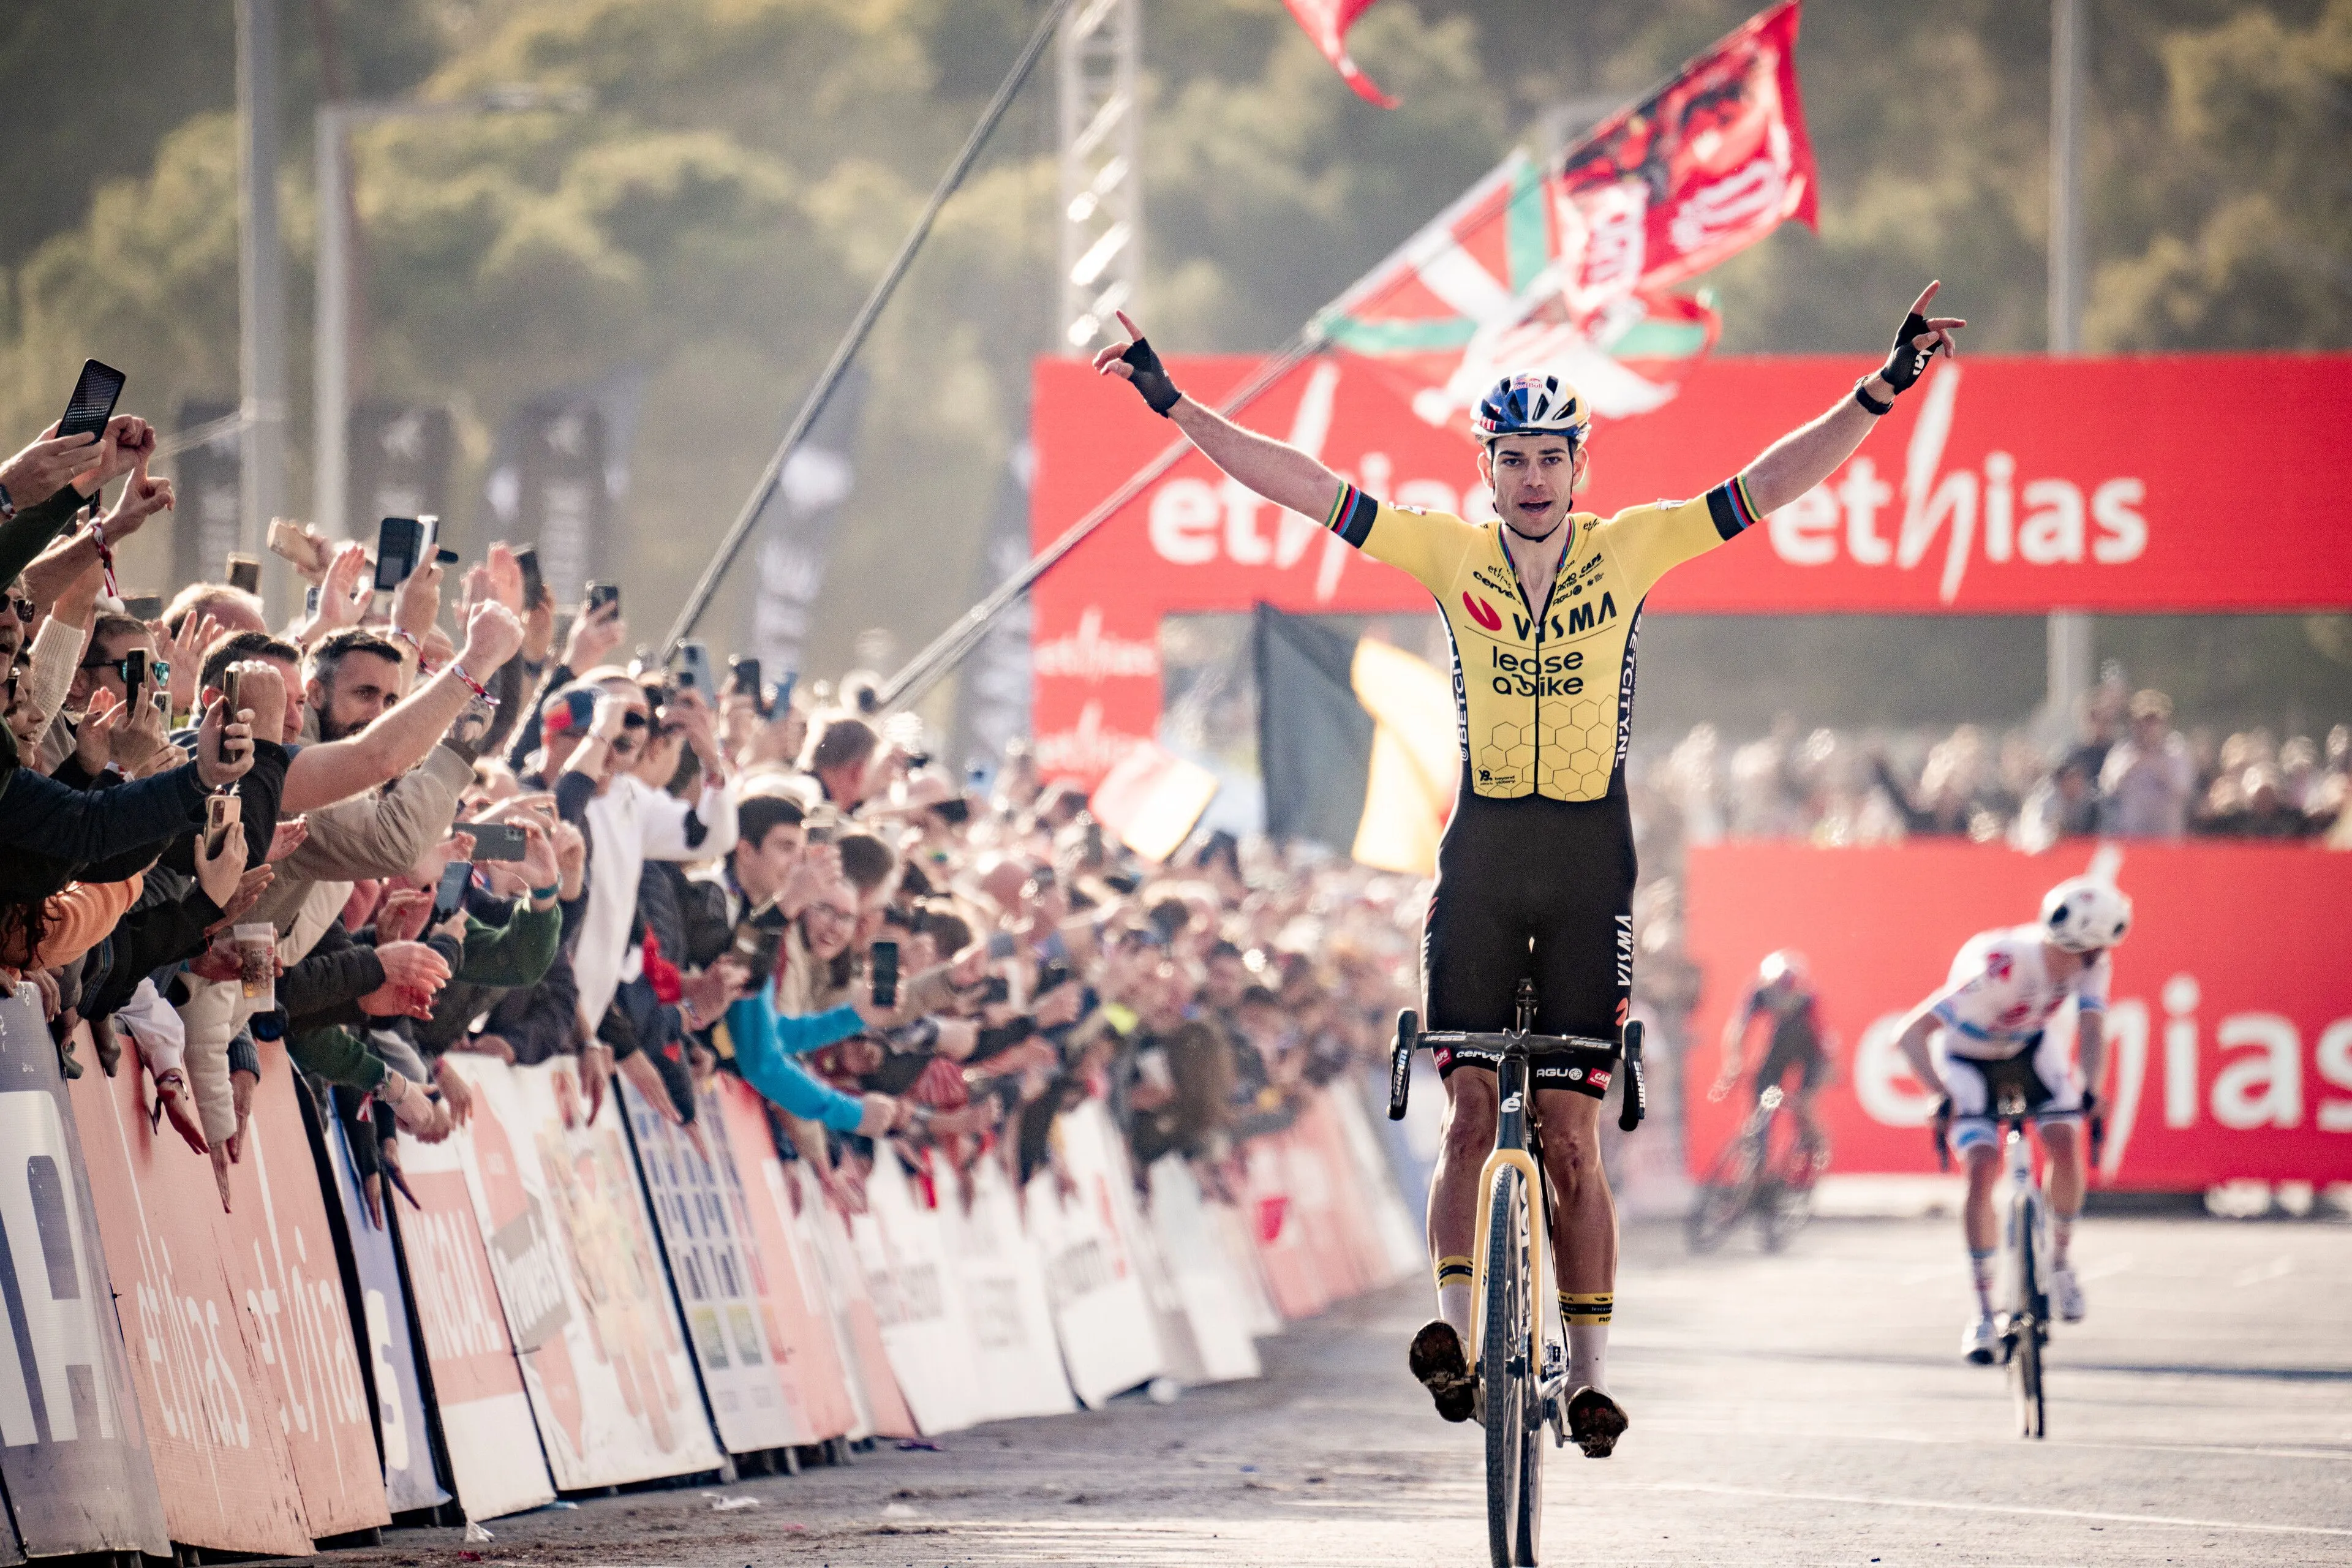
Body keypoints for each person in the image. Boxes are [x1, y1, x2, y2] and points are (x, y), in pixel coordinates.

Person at [1097, 282, 1966, 1456]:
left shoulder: (1635, 545)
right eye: (1514, 459)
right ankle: (1453, 1333)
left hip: (1591, 855)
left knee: (1567, 1135)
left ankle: (1595, 1375)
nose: (1534, 478)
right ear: (1488, 469)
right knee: (1466, 1116)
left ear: (1578, 466)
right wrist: (1174, 403)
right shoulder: (1450, 554)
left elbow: (1768, 483)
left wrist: (1881, 389)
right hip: (1487, 847)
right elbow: (1301, 482)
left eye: (1552, 457)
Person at [1888, 875, 2130, 1363]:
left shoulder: (2092, 964)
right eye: (2097, 949)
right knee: (1981, 1169)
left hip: (2029, 1048)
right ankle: (1982, 1313)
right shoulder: (2000, 965)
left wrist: (2091, 1089)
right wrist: (1939, 1095)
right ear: (2079, 945)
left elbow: (2091, 1029)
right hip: (1968, 1060)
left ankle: (2059, 1264)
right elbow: (1910, 1034)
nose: (2101, 958)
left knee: (2064, 1138)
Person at [1709, 949, 1831, 1163]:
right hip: (1780, 1051)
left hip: (1810, 1055)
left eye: (1788, 989)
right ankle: (1757, 1164)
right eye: (1777, 988)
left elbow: (1825, 1043)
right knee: (1763, 1102)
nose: (1782, 996)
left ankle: (1818, 1148)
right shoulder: (1759, 993)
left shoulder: (1809, 999)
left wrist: (1820, 1078)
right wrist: (1733, 1064)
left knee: (1803, 1105)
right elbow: (1738, 1029)